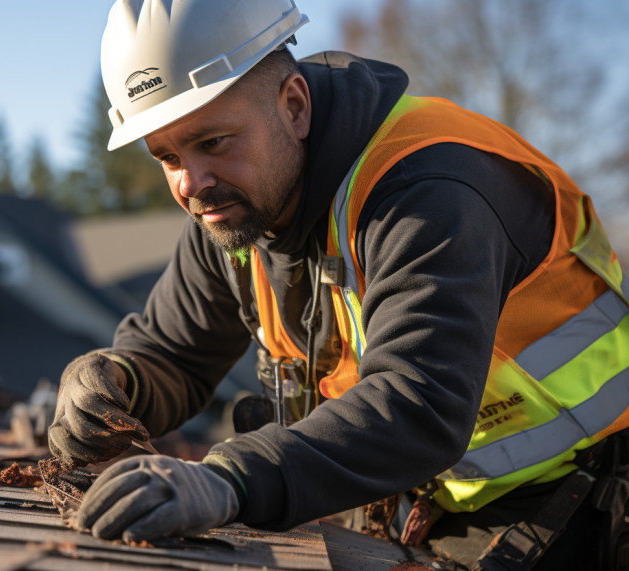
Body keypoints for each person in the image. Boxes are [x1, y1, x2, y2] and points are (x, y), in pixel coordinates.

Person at [47, 1, 629, 568]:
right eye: (166, 156)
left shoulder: (432, 190)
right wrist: (113, 383)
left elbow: (418, 401)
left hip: (582, 497)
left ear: (294, 107)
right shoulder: (232, 212)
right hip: (423, 501)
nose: (192, 183)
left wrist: (231, 478)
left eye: (214, 142)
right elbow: (175, 352)